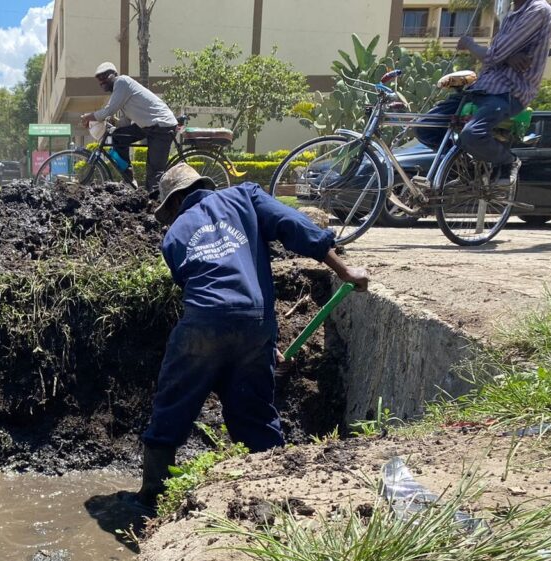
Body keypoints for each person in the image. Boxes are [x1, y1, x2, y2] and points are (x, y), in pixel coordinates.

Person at [134, 164, 369, 509]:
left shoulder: (173, 236)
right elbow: (294, 226)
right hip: (254, 322)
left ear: (174, 203)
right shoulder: (245, 196)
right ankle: (276, 493)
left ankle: (152, 499)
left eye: (167, 212)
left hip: (202, 324)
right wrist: (345, 269)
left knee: (173, 404)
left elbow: (208, 296)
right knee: (254, 412)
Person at [414, 0, 551, 178]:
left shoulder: (538, 9)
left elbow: (494, 54)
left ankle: (508, 161)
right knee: (424, 127)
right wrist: (506, 58)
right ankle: (465, 167)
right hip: (479, 88)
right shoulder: (511, 16)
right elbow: (497, 55)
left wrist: (469, 43)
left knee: (472, 134)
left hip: (507, 92)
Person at [79, 62, 178, 194]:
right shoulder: (120, 91)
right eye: (99, 79)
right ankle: (129, 178)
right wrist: (113, 123)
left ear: (114, 74)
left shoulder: (122, 82)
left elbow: (109, 110)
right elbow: (125, 122)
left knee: (154, 173)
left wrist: (88, 116)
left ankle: (155, 204)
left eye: (104, 77)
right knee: (118, 136)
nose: (102, 81)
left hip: (161, 125)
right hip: (148, 125)